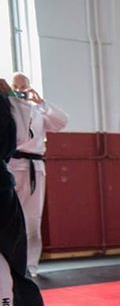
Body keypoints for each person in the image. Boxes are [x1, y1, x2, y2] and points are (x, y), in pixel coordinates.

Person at [0, 79, 51, 306]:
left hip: (6, 182)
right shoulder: (8, 101)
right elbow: (22, 134)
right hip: (3, 188)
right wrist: (9, 96)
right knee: (14, 266)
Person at [9, 73, 68, 277]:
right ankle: (9, 265)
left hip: (34, 167)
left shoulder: (38, 111)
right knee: (9, 217)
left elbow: (61, 122)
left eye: (23, 87)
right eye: (16, 86)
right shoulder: (6, 108)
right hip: (11, 165)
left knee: (33, 220)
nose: (20, 90)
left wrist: (42, 103)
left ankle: (30, 265)